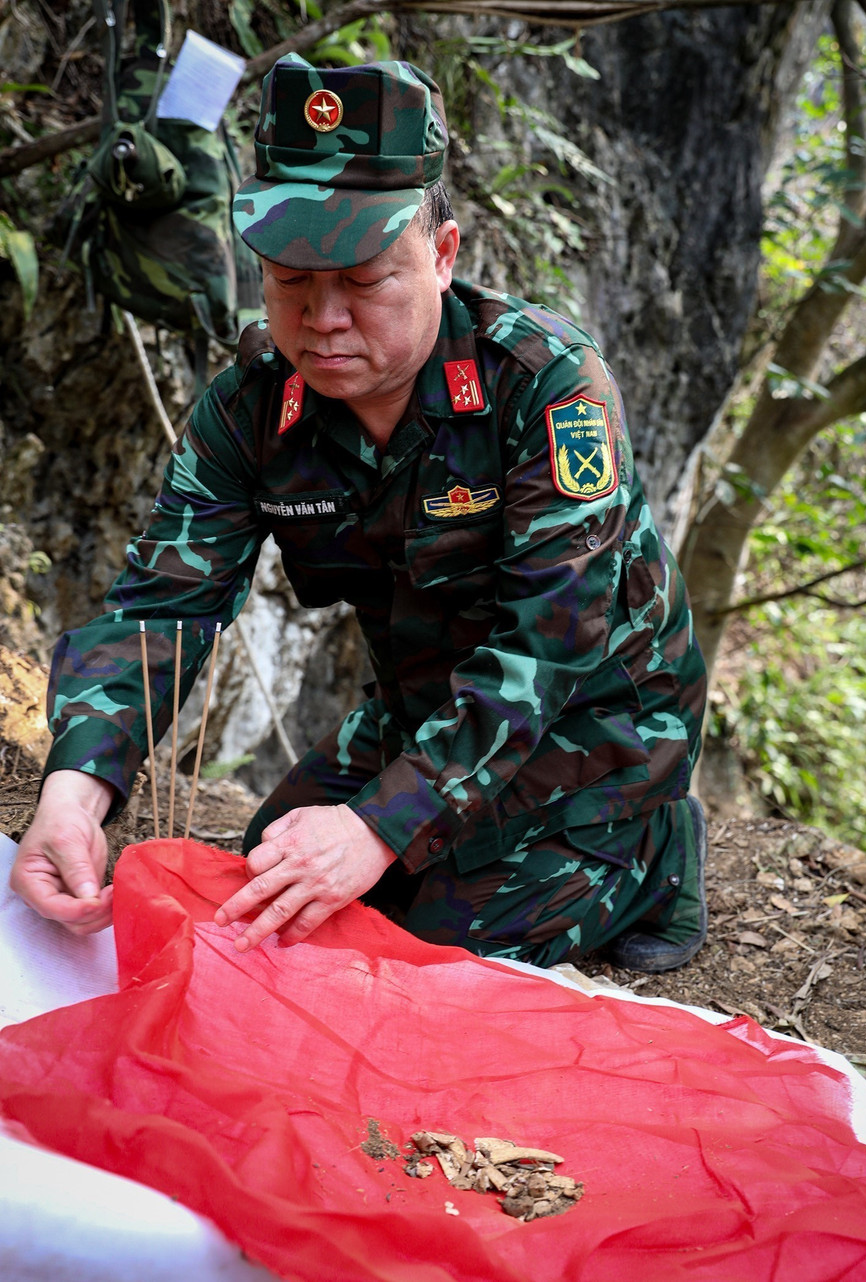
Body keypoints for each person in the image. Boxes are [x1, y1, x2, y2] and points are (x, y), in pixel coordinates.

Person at [11, 56, 708, 972]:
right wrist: (75, 786)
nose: (325, 318)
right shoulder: (253, 407)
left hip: (595, 722)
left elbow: (553, 644)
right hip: (420, 709)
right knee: (261, 897)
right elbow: (162, 604)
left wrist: (378, 826)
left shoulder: (544, 386)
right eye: (292, 280)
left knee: (416, 966)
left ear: (444, 254)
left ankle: (654, 847)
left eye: (366, 279)